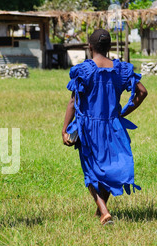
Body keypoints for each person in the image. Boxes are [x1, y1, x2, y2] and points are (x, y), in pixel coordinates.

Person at [62, 29, 148, 226]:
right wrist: (123, 112)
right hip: (113, 125)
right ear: (109, 47)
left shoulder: (84, 70)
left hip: (89, 128)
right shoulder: (121, 70)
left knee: (91, 170)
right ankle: (101, 210)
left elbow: (73, 101)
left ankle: (104, 212)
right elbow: (142, 92)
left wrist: (64, 128)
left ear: (89, 47)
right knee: (110, 167)